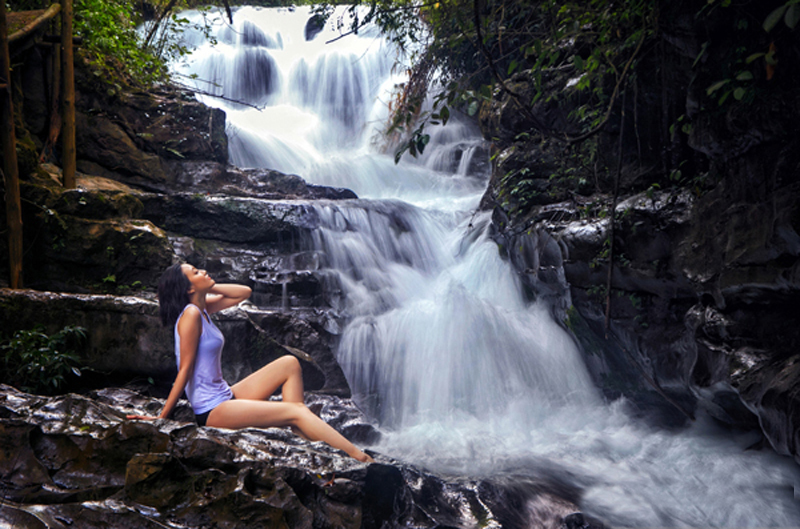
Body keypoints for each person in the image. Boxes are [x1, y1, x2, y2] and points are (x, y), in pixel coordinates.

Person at [127, 263, 373, 463]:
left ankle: (302, 435)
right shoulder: (191, 315)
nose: (203, 271)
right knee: (295, 410)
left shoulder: (201, 308)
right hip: (212, 411)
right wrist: (162, 417)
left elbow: (243, 292)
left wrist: (208, 286)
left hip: (227, 396)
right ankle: (360, 457)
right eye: (196, 272)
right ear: (188, 288)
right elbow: (185, 370)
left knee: (289, 363)